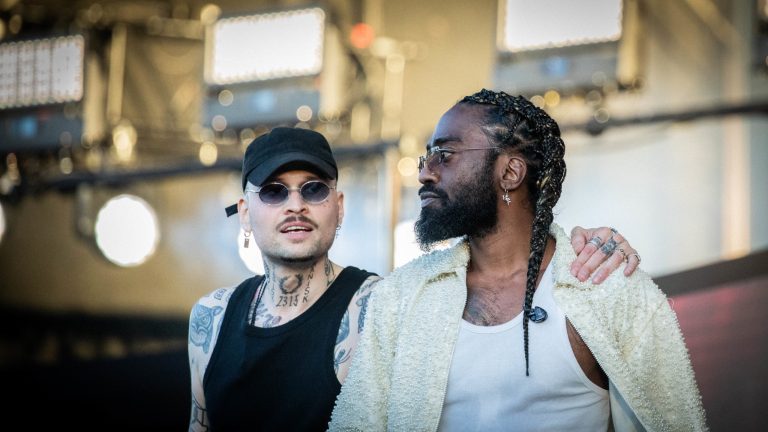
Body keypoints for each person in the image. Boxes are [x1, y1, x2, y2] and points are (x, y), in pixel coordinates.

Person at [187, 127, 642, 431]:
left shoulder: (388, 303)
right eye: (273, 191)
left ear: (338, 208)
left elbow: (489, 259)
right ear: (244, 213)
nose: (295, 205)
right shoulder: (211, 316)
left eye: (314, 189)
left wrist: (583, 245)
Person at [329, 90, 707, 431]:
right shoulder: (402, 296)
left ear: (510, 172)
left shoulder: (605, 286)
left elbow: (676, 422)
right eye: (426, 157)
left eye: (444, 154)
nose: (425, 173)